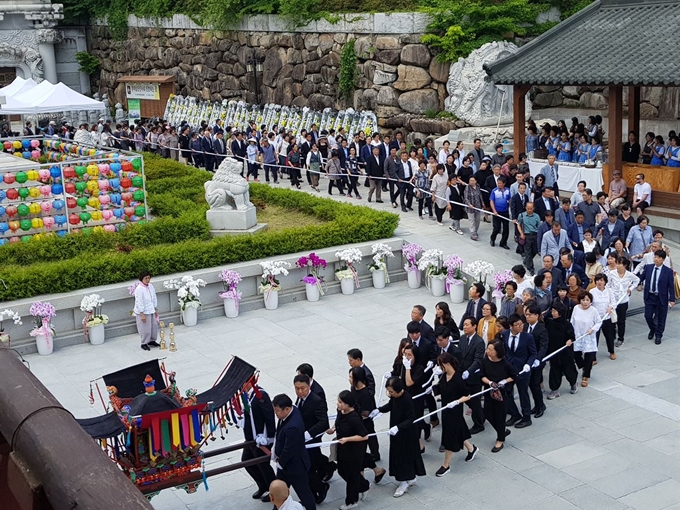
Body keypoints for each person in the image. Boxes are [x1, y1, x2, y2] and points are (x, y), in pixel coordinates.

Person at [378, 377, 426, 498]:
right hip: (397, 433)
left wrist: (398, 427)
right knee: (397, 455)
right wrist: (378, 410)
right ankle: (408, 478)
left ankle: (404, 481)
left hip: (406, 434)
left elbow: (411, 418)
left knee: (403, 457)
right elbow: (390, 405)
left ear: (399, 390)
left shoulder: (407, 399)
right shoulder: (395, 398)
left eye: (392, 392)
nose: (390, 394)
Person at [433, 353, 477, 475]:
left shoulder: (457, 378)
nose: (440, 368)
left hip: (455, 411)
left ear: (447, 364)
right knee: (459, 430)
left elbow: (467, 396)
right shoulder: (444, 376)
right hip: (446, 409)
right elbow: (440, 388)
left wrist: (456, 402)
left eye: (441, 365)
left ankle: (445, 465)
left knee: (449, 436)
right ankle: (471, 448)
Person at [272, 394, 316, 510]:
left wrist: (280, 462)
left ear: (286, 409)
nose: (276, 414)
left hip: (295, 466)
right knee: (279, 490)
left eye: (277, 411)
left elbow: (288, 450)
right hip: (286, 465)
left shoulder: (293, 427)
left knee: (304, 494)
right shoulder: (292, 411)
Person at [327, 390, 370, 510]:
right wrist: (333, 429)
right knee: (342, 470)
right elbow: (338, 422)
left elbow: (364, 436)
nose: (338, 404)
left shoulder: (354, 418)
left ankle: (351, 501)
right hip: (343, 448)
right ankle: (364, 485)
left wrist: (347, 439)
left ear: (348, 404)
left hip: (354, 450)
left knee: (351, 476)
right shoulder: (341, 411)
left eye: (340, 402)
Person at [293, 375, 330, 503]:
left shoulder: (316, 400)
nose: (300, 391)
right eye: (297, 389)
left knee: (307, 468)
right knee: (308, 467)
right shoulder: (300, 399)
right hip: (302, 440)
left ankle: (320, 487)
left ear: (309, 386)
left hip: (311, 440)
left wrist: (307, 435)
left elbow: (324, 423)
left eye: (303, 388)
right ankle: (314, 492)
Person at [479, 340, 518, 452]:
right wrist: (490, 382)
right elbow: (481, 375)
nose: (488, 351)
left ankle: (500, 439)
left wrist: (504, 381)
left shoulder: (505, 363)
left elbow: (515, 375)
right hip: (489, 391)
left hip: (502, 394)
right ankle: (502, 431)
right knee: (488, 413)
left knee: (500, 416)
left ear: (497, 352)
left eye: (490, 349)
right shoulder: (485, 361)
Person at [348, 368, 385, 475]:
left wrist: (354, 414)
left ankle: (374, 457)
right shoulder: (353, 388)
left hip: (364, 423)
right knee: (360, 451)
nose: (349, 379)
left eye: (351, 377)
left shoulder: (365, 394)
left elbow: (366, 413)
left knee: (364, 446)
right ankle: (375, 471)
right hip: (356, 422)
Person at [243, 385, 277, 502]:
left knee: (263, 465)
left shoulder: (260, 395)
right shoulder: (247, 395)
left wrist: (270, 437)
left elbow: (269, 416)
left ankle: (275, 491)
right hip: (251, 439)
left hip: (261, 439)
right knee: (247, 461)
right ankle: (263, 485)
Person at [502, 314, 537, 428]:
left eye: (521, 324)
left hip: (522, 370)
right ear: (510, 326)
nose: (520, 327)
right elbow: (505, 351)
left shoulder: (528, 337)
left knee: (523, 393)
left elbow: (533, 353)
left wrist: (528, 364)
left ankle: (526, 418)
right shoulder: (505, 334)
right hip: (509, 370)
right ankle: (514, 414)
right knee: (507, 392)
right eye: (517, 325)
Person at [545, 302, 578, 399]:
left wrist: (570, 340)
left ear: (560, 312)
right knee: (554, 371)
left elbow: (572, 336)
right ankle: (554, 390)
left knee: (569, 370)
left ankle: (573, 383)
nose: (552, 313)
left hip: (565, 353)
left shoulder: (567, 324)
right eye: (552, 311)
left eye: (555, 311)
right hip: (554, 352)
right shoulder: (550, 323)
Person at [458, 318, 486, 433]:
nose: (464, 327)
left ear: (474, 326)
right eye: (464, 325)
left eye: (467, 325)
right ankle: (481, 414)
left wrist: (469, 371)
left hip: (474, 376)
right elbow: (460, 354)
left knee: (475, 401)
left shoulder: (479, 342)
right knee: (466, 398)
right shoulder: (463, 338)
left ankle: (479, 424)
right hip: (462, 374)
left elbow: (478, 360)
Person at [642, 250, 676, 344]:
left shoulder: (668, 271)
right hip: (650, 296)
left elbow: (671, 286)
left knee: (661, 317)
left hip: (662, 297)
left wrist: (672, 299)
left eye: (658, 258)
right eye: (655, 257)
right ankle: (653, 329)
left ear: (663, 259)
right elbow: (642, 277)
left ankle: (658, 335)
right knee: (648, 316)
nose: (656, 259)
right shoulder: (648, 267)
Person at [571, 292, 601, 387]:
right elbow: (572, 321)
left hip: (589, 336)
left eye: (587, 300)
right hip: (577, 336)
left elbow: (599, 322)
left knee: (589, 356)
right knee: (576, 355)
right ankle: (583, 366)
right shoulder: (576, 308)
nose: (585, 302)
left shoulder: (594, 311)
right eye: (583, 300)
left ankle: (585, 376)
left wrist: (593, 329)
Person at [524, 304, 548, 417]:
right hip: (526, 361)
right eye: (526, 315)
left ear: (537, 315)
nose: (527, 317)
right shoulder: (524, 327)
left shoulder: (541, 329)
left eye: (530, 315)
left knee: (535, 384)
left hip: (536, 362)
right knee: (529, 384)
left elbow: (543, 346)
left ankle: (540, 406)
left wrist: (538, 359)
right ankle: (537, 405)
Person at [133, 271, 158, 351]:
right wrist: (141, 313)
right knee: (145, 329)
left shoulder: (151, 286)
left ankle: (152, 340)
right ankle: (144, 343)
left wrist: (155, 308)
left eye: (148, 278)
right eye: (145, 278)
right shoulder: (139, 289)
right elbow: (139, 301)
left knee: (153, 326)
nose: (147, 280)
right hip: (143, 312)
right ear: (142, 279)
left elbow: (154, 297)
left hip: (151, 310)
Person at [516, 201, 541, 274]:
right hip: (526, 236)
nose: (529, 210)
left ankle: (526, 261)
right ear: (526, 208)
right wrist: (521, 233)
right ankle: (530, 268)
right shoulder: (522, 215)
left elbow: (539, 226)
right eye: (528, 208)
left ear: (533, 208)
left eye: (531, 208)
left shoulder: (536, 216)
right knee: (528, 252)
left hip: (535, 235)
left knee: (535, 250)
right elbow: (518, 224)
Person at [489, 176, 511, 249]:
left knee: (506, 228)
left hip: (505, 212)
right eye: (498, 183)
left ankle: (503, 243)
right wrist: (494, 211)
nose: (498, 185)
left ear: (504, 183)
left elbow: (510, 200)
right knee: (497, 228)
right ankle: (492, 239)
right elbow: (491, 201)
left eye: (500, 183)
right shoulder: (494, 191)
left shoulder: (508, 191)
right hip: (497, 212)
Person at [463, 175, 484, 241]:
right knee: (471, 220)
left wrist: (482, 203)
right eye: (470, 181)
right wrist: (469, 204)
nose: (471, 182)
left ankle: (475, 231)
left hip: (478, 206)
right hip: (470, 207)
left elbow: (480, 195)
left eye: (473, 181)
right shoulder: (467, 187)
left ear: (476, 181)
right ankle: (472, 233)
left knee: (477, 220)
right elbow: (466, 197)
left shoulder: (477, 186)